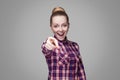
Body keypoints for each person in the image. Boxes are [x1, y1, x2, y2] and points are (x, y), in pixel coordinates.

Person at [41, 7, 86, 80]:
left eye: (64, 25)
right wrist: (48, 45)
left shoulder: (75, 46)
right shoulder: (51, 43)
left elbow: (81, 72)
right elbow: (45, 49)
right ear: (51, 27)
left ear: (68, 25)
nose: (61, 29)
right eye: (56, 26)